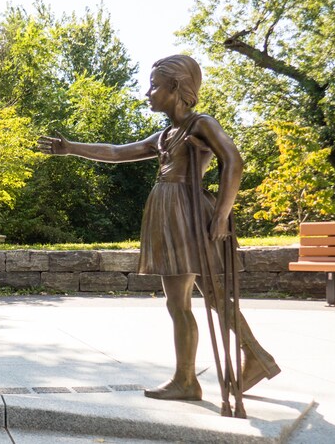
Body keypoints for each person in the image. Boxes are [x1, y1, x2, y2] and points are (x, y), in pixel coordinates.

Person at [38, 54, 279, 401]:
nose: (147, 93)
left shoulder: (201, 124)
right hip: (170, 212)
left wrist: (223, 215)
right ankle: (238, 363)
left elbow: (234, 161)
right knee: (188, 299)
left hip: (189, 212)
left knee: (192, 299)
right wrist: (71, 148)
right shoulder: (167, 134)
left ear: (176, 87)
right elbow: (118, 152)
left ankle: (210, 372)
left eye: (153, 86)